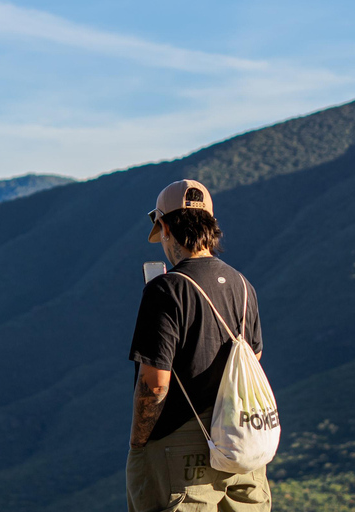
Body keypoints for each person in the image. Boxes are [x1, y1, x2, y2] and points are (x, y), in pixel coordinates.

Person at [127, 179, 271, 511]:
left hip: (181, 449)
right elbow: (254, 357)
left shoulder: (166, 290)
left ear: (163, 227)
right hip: (241, 444)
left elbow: (155, 383)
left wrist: (139, 443)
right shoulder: (242, 285)